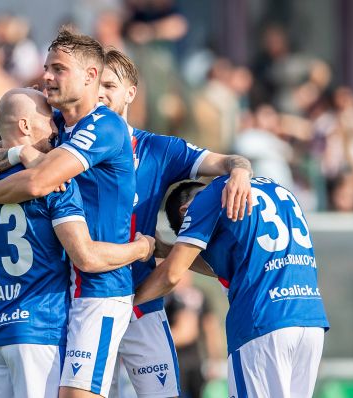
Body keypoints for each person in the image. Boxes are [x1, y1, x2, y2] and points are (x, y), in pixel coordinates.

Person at [0, 28, 136, 398]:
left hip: (97, 291)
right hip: (53, 301)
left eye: (58, 69)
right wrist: (17, 153)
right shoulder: (56, 131)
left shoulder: (104, 125)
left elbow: (39, 181)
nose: (47, 76)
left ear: (90, 76)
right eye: (46, 68)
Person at [98, 49, 252, 398]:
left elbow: (228, 159)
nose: (102, 93)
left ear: (131, 93)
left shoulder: (158, 149)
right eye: (96, 86)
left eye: (110, 84)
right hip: (87, 301)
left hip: (141, 302)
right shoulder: (69, 148)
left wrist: (241, 171)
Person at [135, 177, 330, 398]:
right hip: (310, 321)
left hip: (263, 322)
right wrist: (167, 249)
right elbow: (228, 265)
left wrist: (125, 304)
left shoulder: (204, 201)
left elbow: (171, 275)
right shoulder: (270, 188)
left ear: (185, 211)